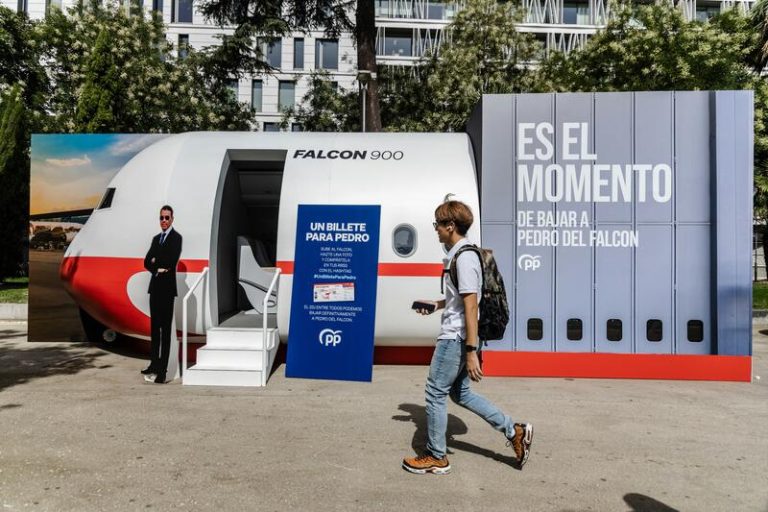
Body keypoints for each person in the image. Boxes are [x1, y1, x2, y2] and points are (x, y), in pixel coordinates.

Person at [402, 200, 533, 475]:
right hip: (462, 335)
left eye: (437, 224)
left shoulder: (465, 257)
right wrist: (438, 305)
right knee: (460, 393)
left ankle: (437, 456)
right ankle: (514, 430)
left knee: (435, 392)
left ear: (450, 226)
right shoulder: (461, 255)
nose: (435, 229)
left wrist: (471, 350)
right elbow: (461, 300)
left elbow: (472, 305)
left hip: (457, 338)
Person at [141, 205, 182, 384]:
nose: (164, 221)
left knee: (165, 331)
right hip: (155, 288)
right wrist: (158, 266)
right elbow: (146, 261)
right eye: (161, 218)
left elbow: (171, 261)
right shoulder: (156, 238)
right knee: (154, 329)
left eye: (166, 218)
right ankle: (154, 364)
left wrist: (157, 261)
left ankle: (163, 371)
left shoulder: (176, 238)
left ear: (172, 219)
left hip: (167, 290)